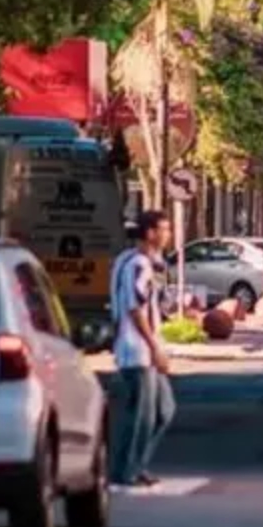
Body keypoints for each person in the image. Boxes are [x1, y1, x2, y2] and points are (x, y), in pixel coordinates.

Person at [109, 209, 176, 488]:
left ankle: (136, 466)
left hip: (144, 347)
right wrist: (154, 347)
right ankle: (125, 471)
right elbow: (135, 309)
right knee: (142, 416)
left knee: (163, 410)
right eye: (164, 229)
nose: (168, 235)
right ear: (150, 233)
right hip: (136, 349)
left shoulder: (134, 261)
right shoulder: (138, 264)